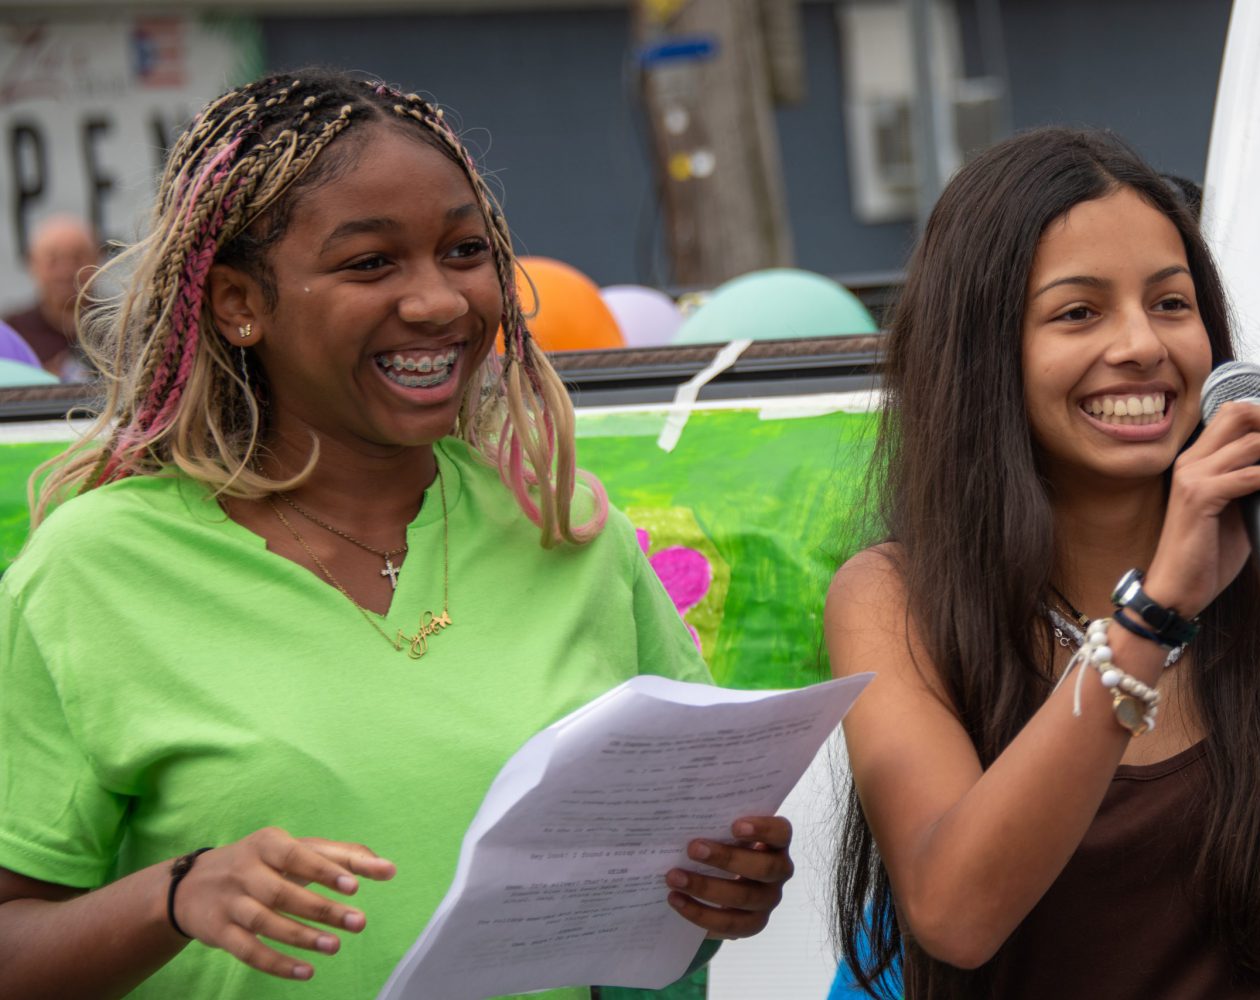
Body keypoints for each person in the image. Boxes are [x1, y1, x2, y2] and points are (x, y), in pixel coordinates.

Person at [0, 69, 793, 1000]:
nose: (440, 302)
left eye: (464, 251)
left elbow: (666, 892)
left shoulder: (569, 530)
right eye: (371, 263)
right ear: (237, 304)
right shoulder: (96, 567)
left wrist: (720, 891)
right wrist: (172, 897)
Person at [826, 127, 1260, 999]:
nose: (1141, 344)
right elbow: (956, 913)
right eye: (1078, 313)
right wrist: (1157, 612)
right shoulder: (898, 601)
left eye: (1171, 304)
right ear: (984, 355)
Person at [3, 213, 100, 380]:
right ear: (32, 264)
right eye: (52, 260)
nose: (66, 271)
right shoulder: (13, 335)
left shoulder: (123, 326)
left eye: (77, 258)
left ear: (97, 260)